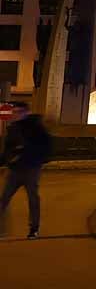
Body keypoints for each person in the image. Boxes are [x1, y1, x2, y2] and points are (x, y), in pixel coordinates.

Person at [0, 102, 52, 238]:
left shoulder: (36, 127)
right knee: (4, 199)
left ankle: (34, 229)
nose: (15, 115)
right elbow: (7, 150)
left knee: (32, 199)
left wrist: (35, 158)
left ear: (25, 112)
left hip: (31, 169)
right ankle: (1, 230)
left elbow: (46, 145)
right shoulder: (13, 128)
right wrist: (5, 159)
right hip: (15, 170)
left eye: (18, 112)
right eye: (14, 112)